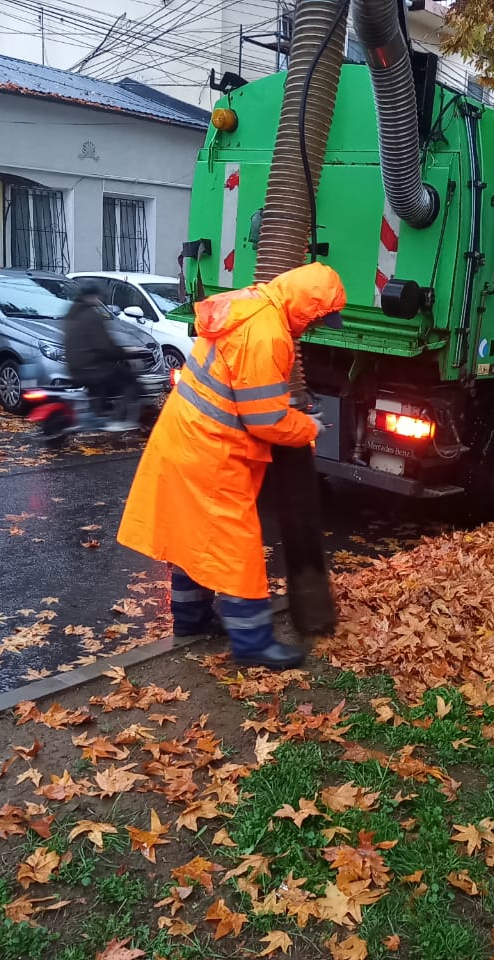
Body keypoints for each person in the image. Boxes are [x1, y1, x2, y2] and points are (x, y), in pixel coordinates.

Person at [117, 262, 347, 670]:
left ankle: (191, 620)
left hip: (186, 439)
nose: (315, 328)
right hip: (213, 454)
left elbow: (247, 392)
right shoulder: (267, 333)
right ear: (308, 308)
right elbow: (266, 420)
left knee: (192, 536)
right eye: (319, 319)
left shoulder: (254, 306)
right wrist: (307, 426)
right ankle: (253, 642)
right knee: (236, 547)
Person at [63, 279, 137, 431]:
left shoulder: (72, 314)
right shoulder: (91, 316)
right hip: (93, 368)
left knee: (103, 382)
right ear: (93, 296)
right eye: (97, 296)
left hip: (75, 368)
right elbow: (104, 346)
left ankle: (97, 413)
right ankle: (117, 419)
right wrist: (125, 353)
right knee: (131, 381)